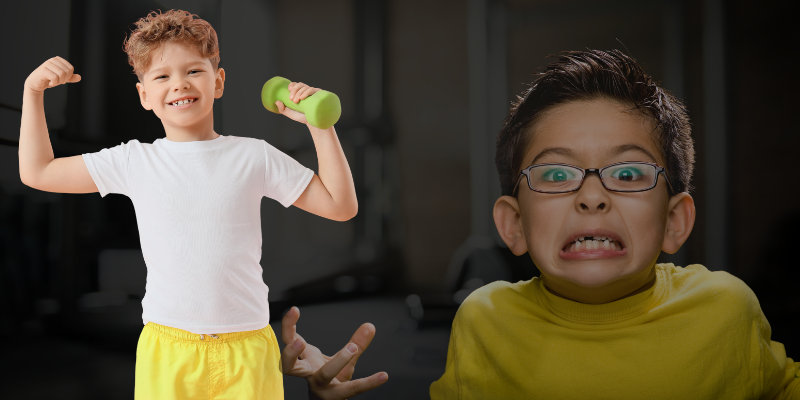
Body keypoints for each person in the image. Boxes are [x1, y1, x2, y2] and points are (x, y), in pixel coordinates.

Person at [19, 9, 386, 400]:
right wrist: (33, 92)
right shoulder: (133, 161)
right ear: (144, 95)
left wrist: (321, 128)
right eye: (162, 76)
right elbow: (38, 171)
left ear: (218, 82)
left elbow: (340, 206)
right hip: (168, 347)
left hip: (247, 346)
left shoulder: (254, 156)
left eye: (193, 71)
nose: (179, 84)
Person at [430, 49, 800, 399]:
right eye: (557, 173)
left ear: (674, 221)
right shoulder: (483, 323)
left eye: (627, 173)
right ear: (514, 224)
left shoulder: (726, 311)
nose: (592, 196)